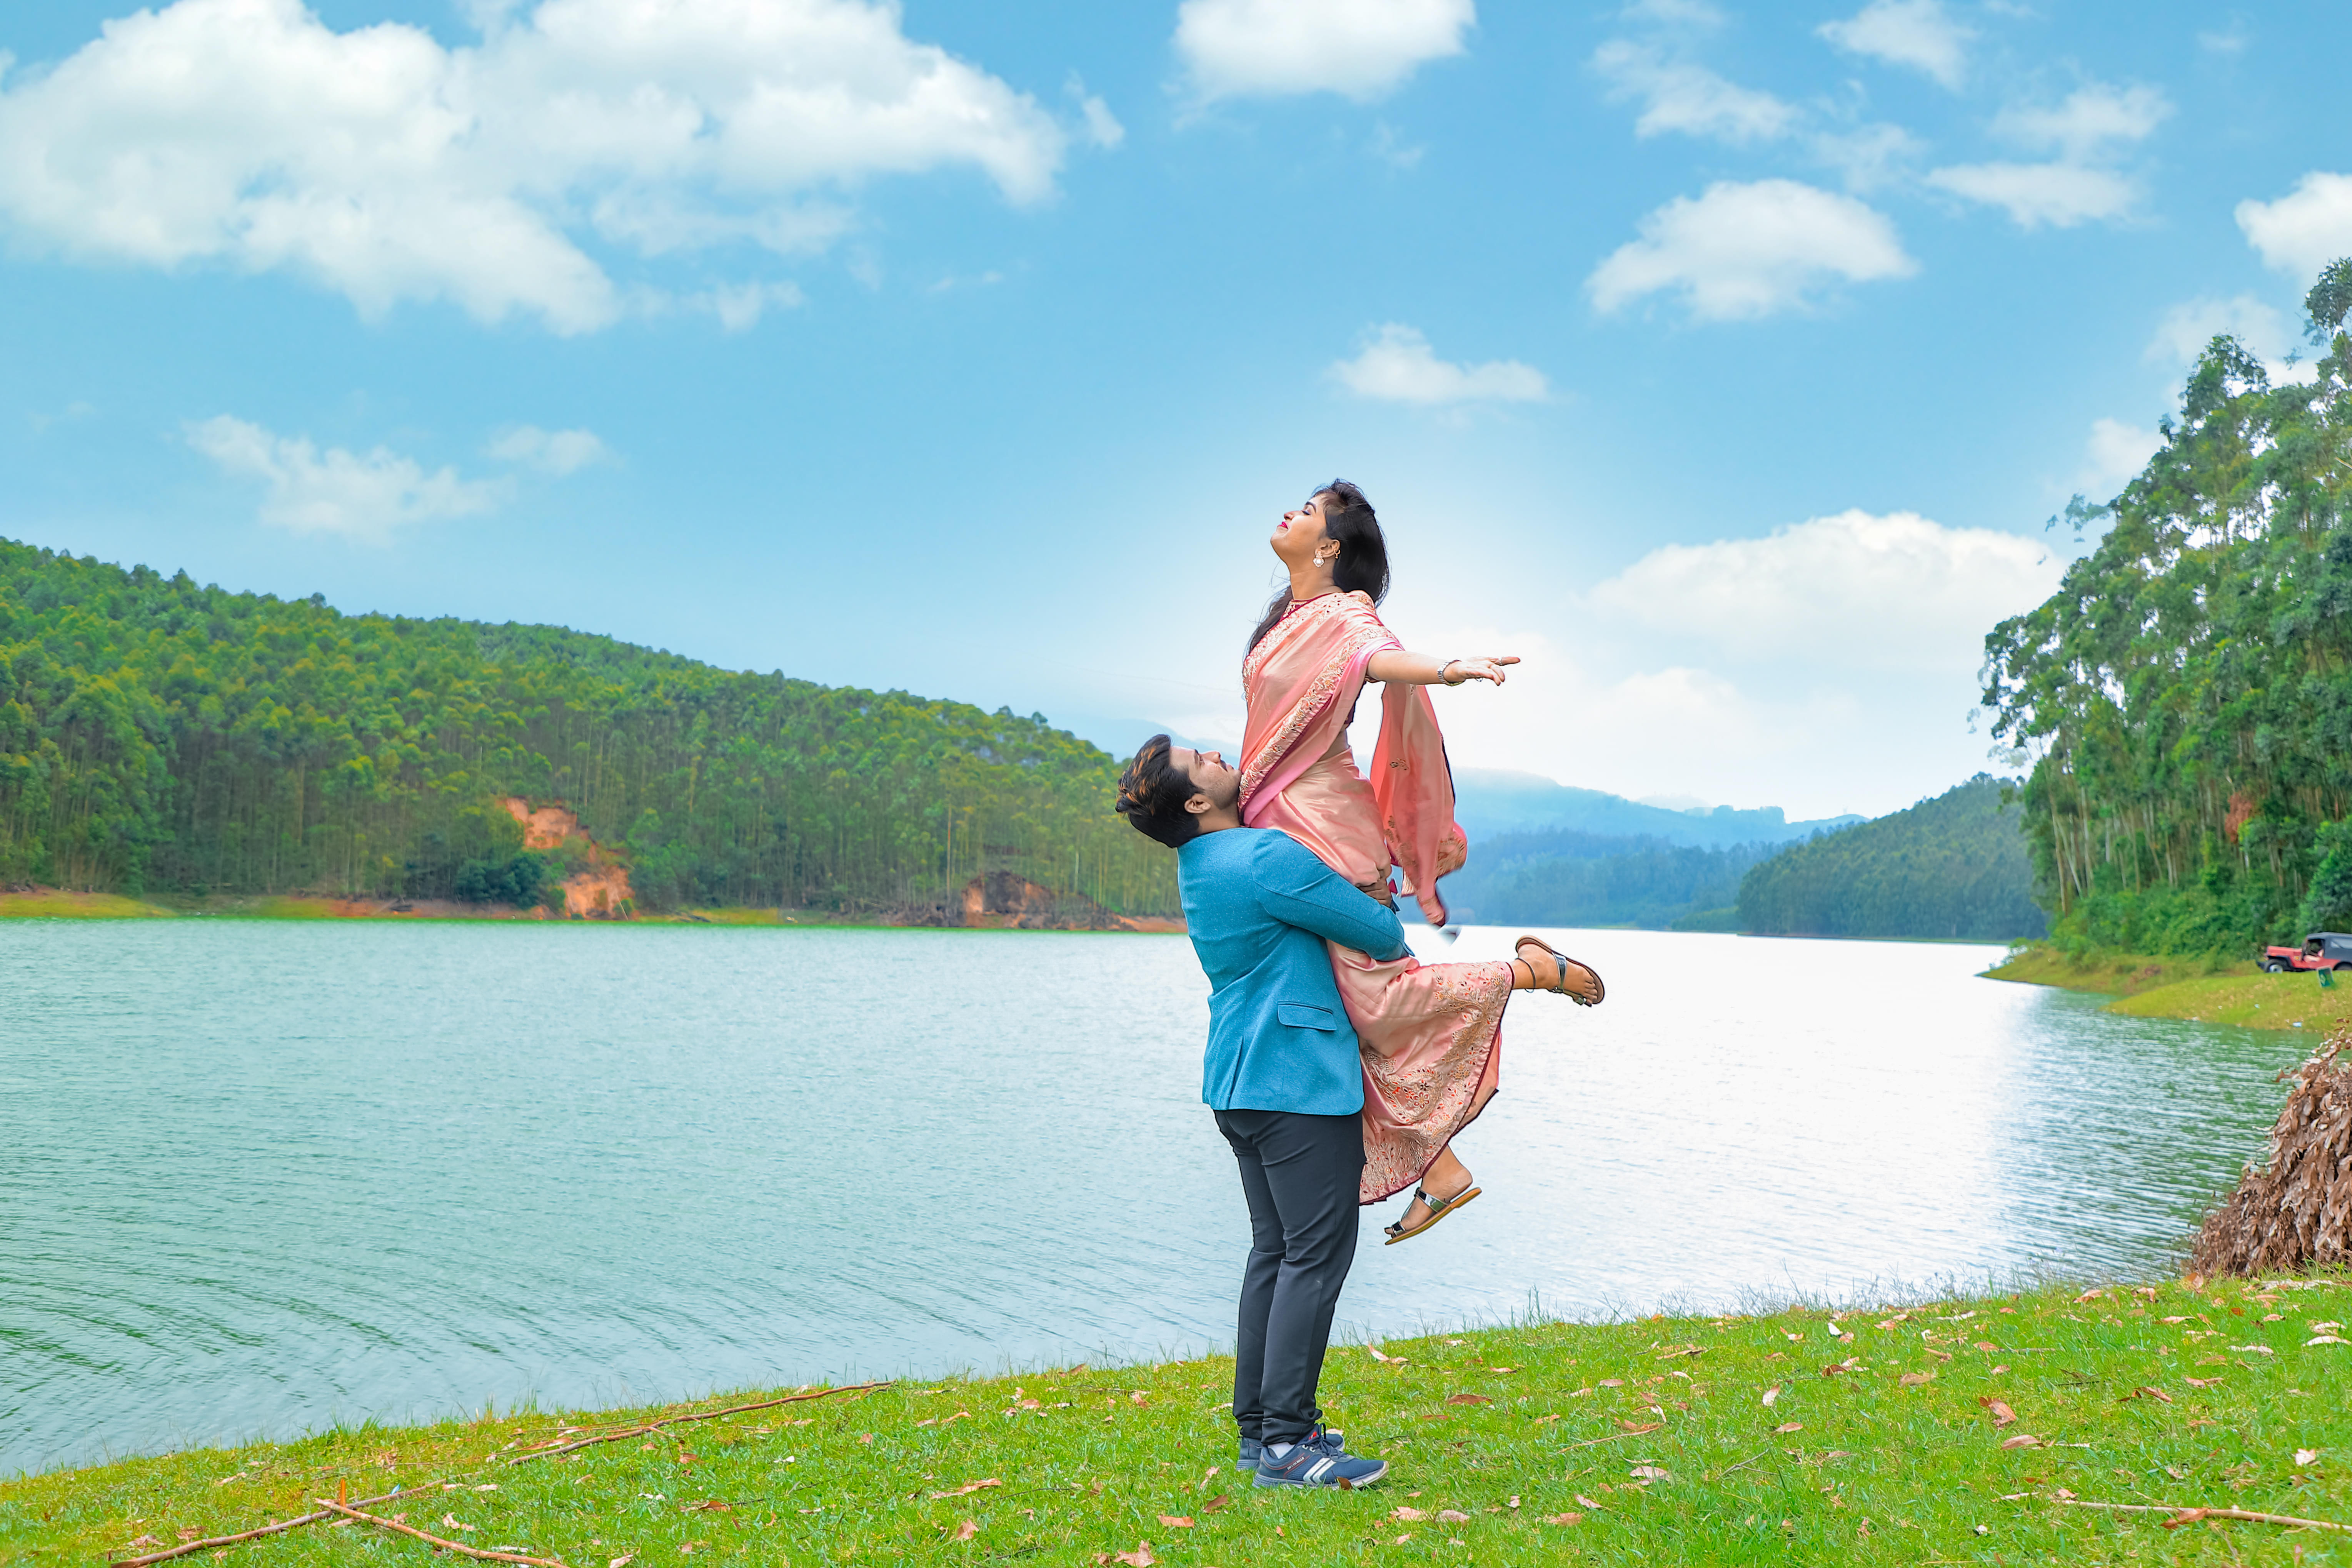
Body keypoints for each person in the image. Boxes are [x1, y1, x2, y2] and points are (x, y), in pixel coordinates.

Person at [1114, 736, 1592, 1487]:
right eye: (1200, 759)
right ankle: (1285, 1446)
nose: (1215, 752)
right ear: (1198, 802)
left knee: (1275, 1252)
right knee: (1313, 1256)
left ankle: (1264, 1430)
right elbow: (1381, 932)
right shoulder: (1264, 857)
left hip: (1240, 1080)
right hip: (1295, 1082)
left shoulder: (1201, 864)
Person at [1241, 480, 1604, 1244]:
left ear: (1331, 546)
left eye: (1309, 511)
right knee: (1337, 1014)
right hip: (1284, 825)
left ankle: (1526, 972)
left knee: (1373, 1001)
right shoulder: (1285, 621)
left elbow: (1381, 660)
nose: (1291, 512)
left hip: (1327, 828)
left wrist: (1449, 669)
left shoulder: (1346, 618)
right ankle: (1440, 1172)